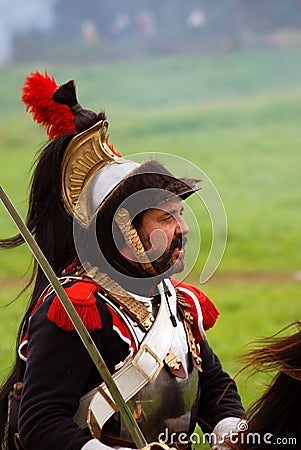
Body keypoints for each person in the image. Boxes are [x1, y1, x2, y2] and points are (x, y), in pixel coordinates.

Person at [0, 71, 245, 450]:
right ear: (124, 231)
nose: (183, 228)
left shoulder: (172, 301)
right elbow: (42, 425)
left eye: (180, 214)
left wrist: (230, 430)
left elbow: (214, 387)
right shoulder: (76, 308)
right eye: (166, 218)